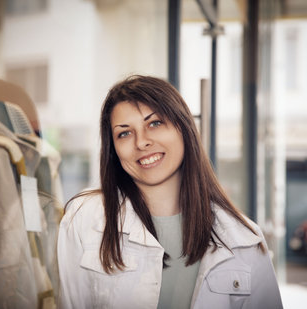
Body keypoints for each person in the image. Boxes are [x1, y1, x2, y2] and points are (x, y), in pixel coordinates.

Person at [57, 75, 283, 309]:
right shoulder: (83, 219)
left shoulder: (244, 239)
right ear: (113, 150)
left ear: (184, 129)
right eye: (124, 133)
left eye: (154, 123)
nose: (141, 142)